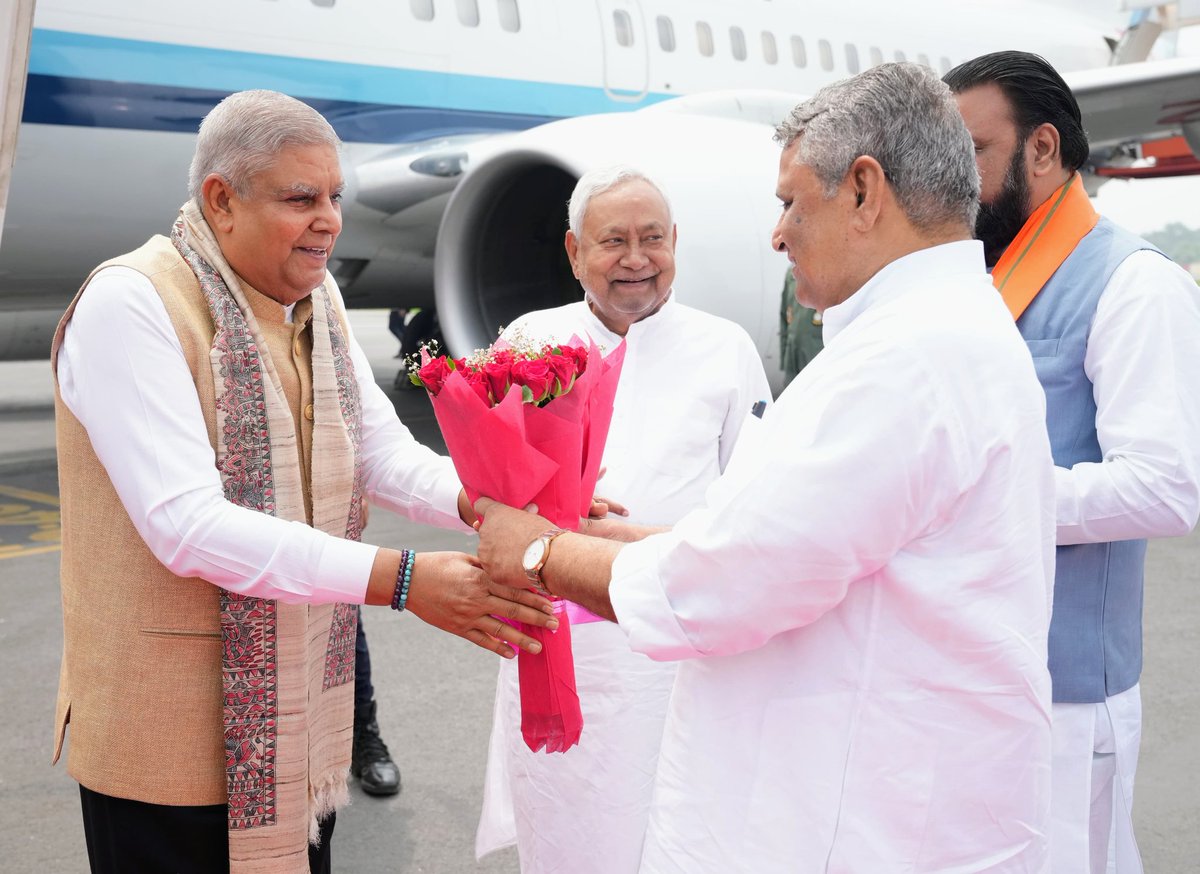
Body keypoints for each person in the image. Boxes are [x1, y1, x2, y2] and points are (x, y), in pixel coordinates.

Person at [474, 63, 1058, 872]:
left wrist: (537, 550)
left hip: (856, 821)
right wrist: (647, 541)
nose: (777, 234)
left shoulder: (903, 362)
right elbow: (795, 541)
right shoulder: (939, 334)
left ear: (863, 190)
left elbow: (718, 585)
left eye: (789, 201)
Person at [50, 89, 556, 873]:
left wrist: (497, 502)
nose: (330, 220)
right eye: (301, 198)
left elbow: (379, 453)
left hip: (294, 730)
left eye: (334, 197)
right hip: (166, 740)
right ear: (221, 200)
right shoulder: (134, 301)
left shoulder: (312, 298)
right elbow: (186, 525)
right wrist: (405, 579)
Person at [945, 51, 1200, 873]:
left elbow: (1169, 489)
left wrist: (986, 499)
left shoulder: (1134, 285)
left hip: (1068, 699)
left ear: (1043, 149)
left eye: (974, 156)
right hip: (964, 677)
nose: (956, 186)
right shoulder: (974, 280)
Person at [475, 166, 770, 873]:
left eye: (653, 239)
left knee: (683, 830)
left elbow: (753, 500)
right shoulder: (529, 340)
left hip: (678, 645)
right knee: (569, 826)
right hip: (562, 642)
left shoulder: (724, 346)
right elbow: (488, 494)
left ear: (676, 243)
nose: (637, 259)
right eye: (614, 242)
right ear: (575, 252)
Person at [778, 268, 823, 386]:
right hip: (793, 349)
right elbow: (784, 315)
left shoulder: (824, 269)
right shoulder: (791, 273)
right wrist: (784, 355)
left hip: (815, 349)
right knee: (791, 393)